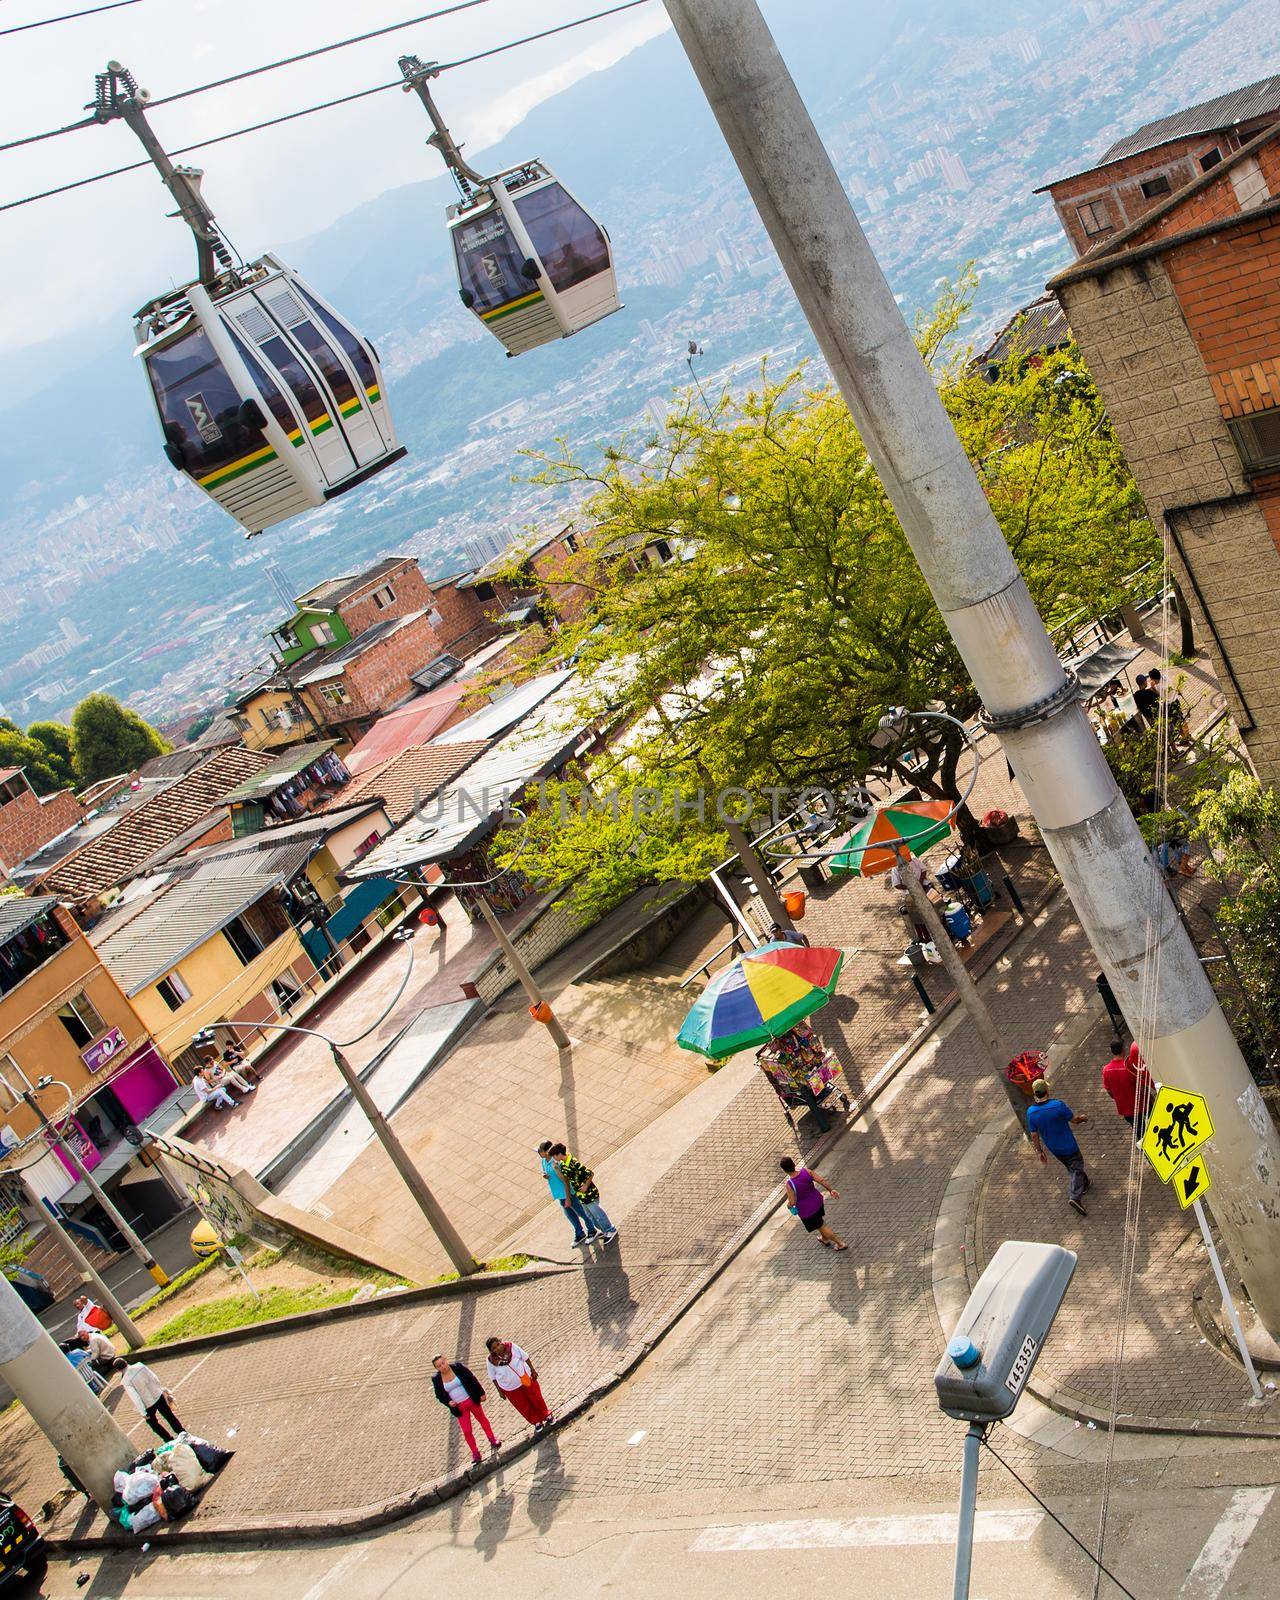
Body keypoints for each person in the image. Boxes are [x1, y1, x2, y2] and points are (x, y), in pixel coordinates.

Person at [1026, 1078, 1091, 1215]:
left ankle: (1085, 1184)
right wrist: (1083, 1118)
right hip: (1068, 1144)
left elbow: (1034, 1135)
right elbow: (1074, 1120)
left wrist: (1039, 1151)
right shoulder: (1058, 1105)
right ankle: (1075, 1197)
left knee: (1072, 1167)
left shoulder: (1031, 1112)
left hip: (1054, 1148)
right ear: (1047, 1091)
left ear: (1035, 1093)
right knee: (1077, 1166)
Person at [431, 1355, 501, 1464]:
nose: (442, 1367)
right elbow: (439, 1395)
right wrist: (448, 1402)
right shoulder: (436, 1379)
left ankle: (492, 1438)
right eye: (439, 1366)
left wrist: (481, 1393)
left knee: (482, 1419)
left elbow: (472, 1378)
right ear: (436, 1368)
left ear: (446, 1360)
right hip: (459, 1408)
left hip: (471, 1400)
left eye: (443, 1363)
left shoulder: (458, 1367)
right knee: (467, 1431)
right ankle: (475, 1453)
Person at [548, 1142, 617, 1244]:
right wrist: (557, 1169)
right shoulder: (563, 1164)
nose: (554, 1158)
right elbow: (565, 1179)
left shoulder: (574, 1163)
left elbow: (590, 1173)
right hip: (581, 1196)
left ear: (559, 1154)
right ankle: (604, 1230)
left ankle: (610, 1230)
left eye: (554, 1156)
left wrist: (585, 1186)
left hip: (589, 1193)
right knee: (590, 1215)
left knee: (597, 1213)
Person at [485, 1337, 554, 1434]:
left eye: (497, 1345)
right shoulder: (490, 1360)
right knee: (523, 1406)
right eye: (494, 1348)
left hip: (525, 1379)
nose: (497, 1348)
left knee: (536, 1398)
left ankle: (546, 1415)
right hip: (510, 1388)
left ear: (501, 1342)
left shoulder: (511, 1346)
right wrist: (500, 1391)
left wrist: (533, 1370)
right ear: (491, 1351)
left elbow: (525, 1357)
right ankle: (536, 1421)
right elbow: (493, 1377)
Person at [779, 1155, 847, 1250]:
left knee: (821, 1226)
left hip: (807, 1211)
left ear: (784, 1170)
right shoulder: (806, 1171)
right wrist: (830, 1190)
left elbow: (792, 1202)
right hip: (818, 1202)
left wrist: (788, 1205)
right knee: (819, 1223)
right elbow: (821, 1180)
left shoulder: (790, 1184)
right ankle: (825, 1239)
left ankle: (840, 1243)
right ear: (793, 1164)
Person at [111, 1355, 185, 1441]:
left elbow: (135, 1398)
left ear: (118, 1370)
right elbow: (154, 1377)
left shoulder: (125, 1381)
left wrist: (143, 1412)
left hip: (147, 1404)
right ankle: (181, 1432)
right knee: (169, 1415)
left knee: (153, 1423)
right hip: (157, 1394)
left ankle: (168, 1439)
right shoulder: (140, 1366)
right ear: (126, 1362)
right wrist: (159, 1389)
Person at [538, 1140, 595, 1246]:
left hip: (568, 1193)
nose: (538, 1152)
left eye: (540, 1150)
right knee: (570, 1215)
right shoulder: (543, 1161)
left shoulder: (557, 1162)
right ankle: (579, 1233)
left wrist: (568, 1197)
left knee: (581, 1212)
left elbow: (565, 1180)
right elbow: (546, 1172)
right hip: (559, 1194)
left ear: (547, 1151)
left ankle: (592, 1230)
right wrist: (545, 1175)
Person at [1101, 1042, 1154, 1137]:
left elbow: (1109, 1091)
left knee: (1140, 1132)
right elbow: (1142, 1088)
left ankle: (1146, 1148)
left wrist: (1119, 1098)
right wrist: (1150, 1098)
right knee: (1155, 1123)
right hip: (1142, 1104)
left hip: (1126, 1109)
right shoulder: (1129, 1067)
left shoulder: (1106, 1070)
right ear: (1123, 1050)